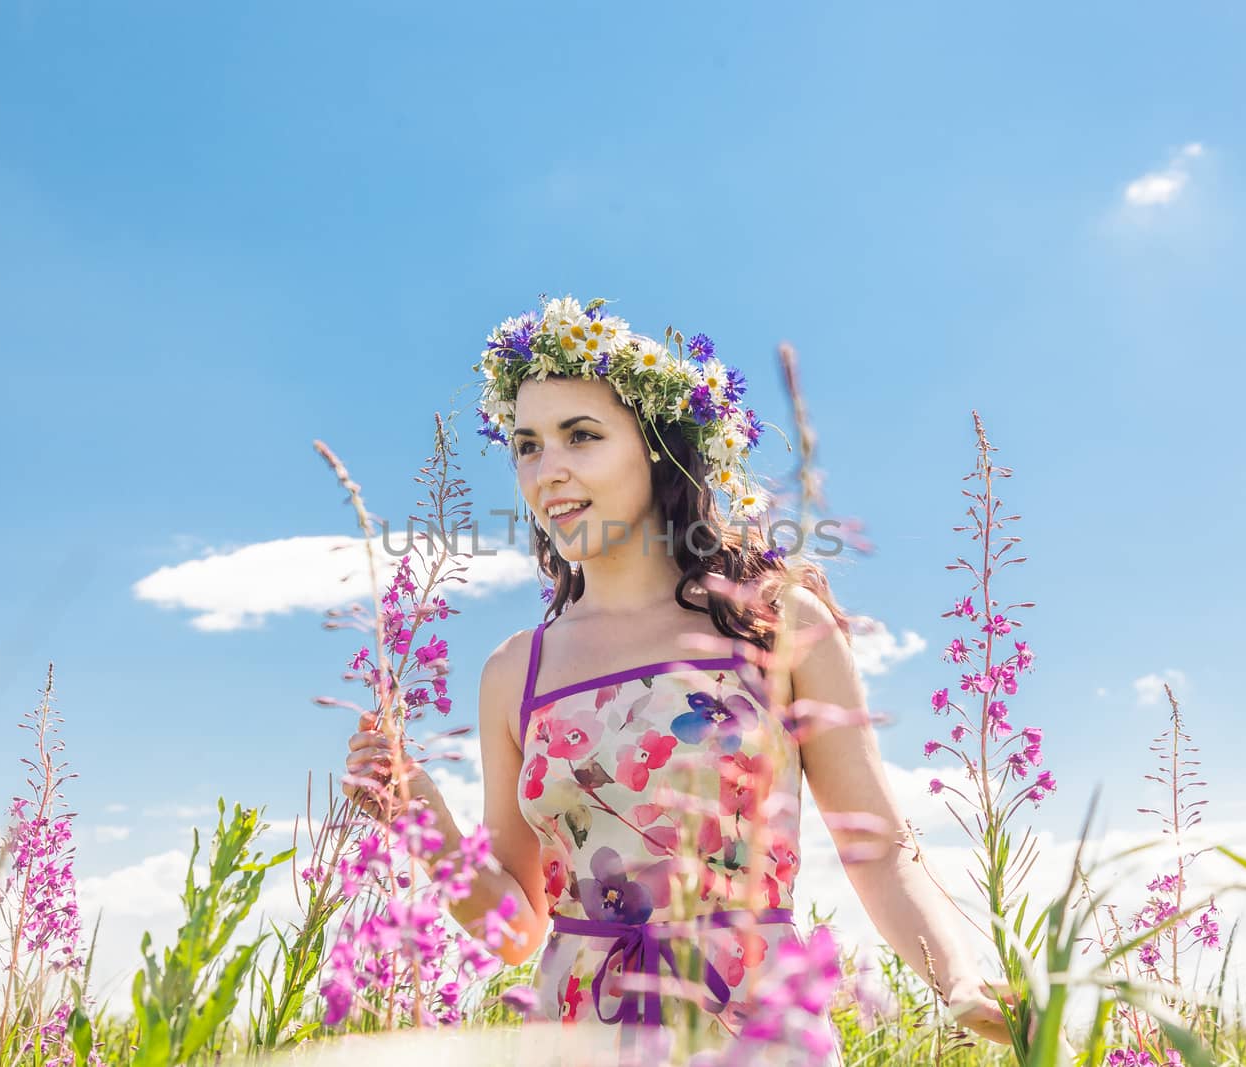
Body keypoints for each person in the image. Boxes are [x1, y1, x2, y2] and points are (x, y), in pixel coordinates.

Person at [346, 296, 1018, 1064]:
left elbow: (881, 849)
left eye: (582, 436)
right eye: (526, 445)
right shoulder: (514, 671)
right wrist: (424, 823)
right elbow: (520, 928)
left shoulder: (776, 621)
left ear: (659, 447)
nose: (548, 470)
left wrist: (958, 979)